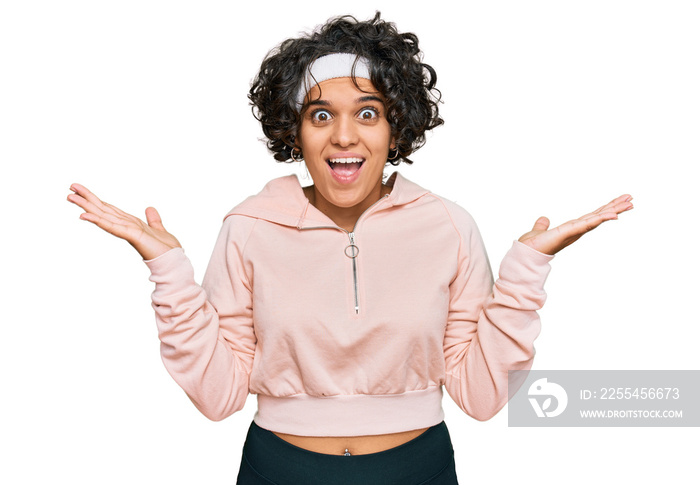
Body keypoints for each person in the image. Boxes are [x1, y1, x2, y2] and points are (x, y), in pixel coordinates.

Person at [67, 12, 633, 485]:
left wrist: (526, 271)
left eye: (368, 112)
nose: (344, 135)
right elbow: (218, 396)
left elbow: (481, 396)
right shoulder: (250, 227)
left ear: (395, 127)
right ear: (296, 133)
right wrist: (166, 268)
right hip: (279, 468)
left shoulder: (448, 226)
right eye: (320, 115)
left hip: (418, 467)